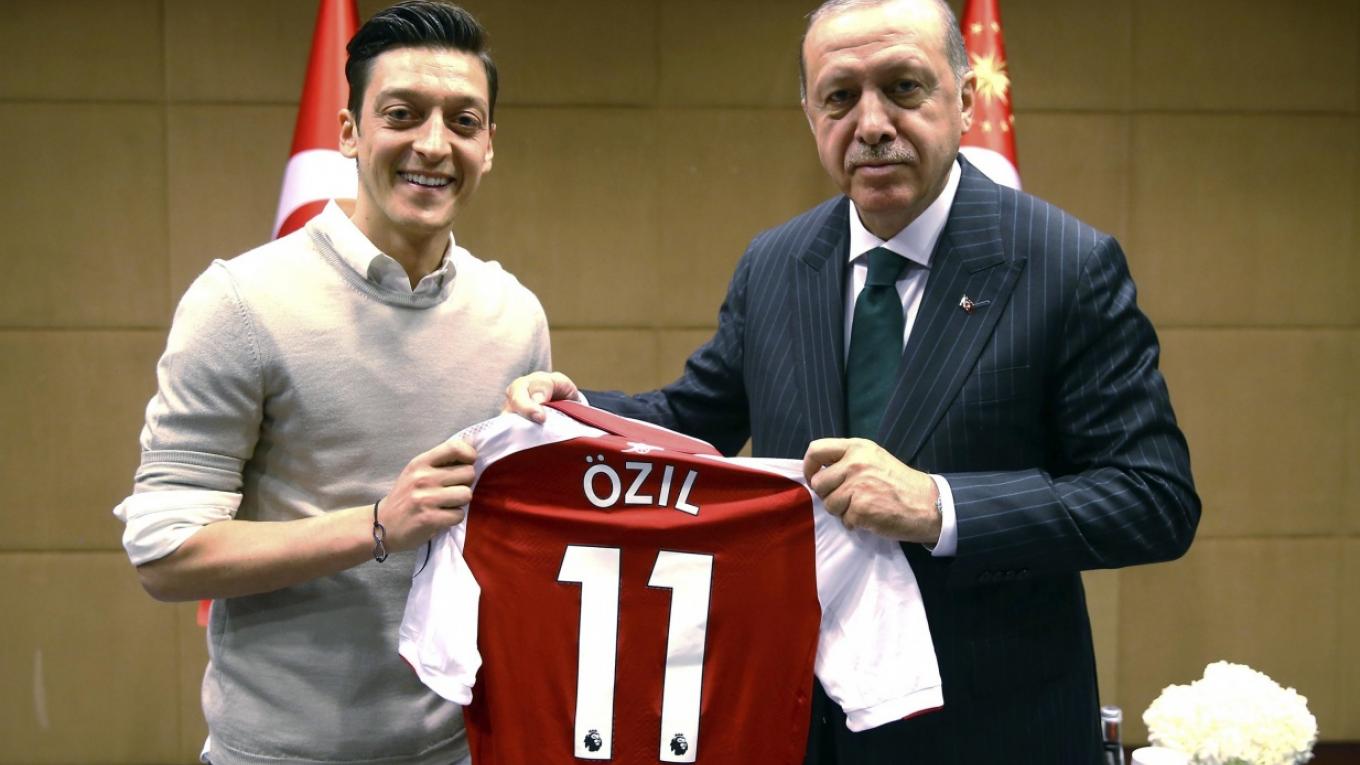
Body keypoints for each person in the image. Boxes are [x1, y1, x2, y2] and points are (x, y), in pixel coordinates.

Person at [505, 0, 1199, 761]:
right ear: (810, 115)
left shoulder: (1066, 264)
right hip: (799, 727)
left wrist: (938, 507)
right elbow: (694, 419)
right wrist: (576, 414)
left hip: (990, 730)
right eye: (839, 96)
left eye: (903, 87)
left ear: (966, 99)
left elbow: (1152, 498)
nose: (871, 124)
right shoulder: (777, 263)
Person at [112, 3, 549, 763]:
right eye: (402, 115)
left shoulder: (515, 316)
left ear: (488, 146)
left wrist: (563, 434)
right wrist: (379, 523)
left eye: (463, 121)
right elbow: (166, 556)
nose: (433, 144)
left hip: (456, 751)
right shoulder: (239, 303)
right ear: (349, 131)